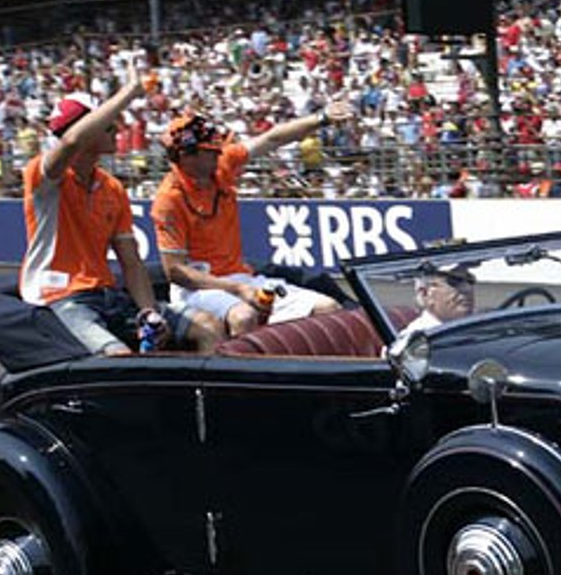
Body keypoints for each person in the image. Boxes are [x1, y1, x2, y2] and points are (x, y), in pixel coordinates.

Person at [20, 61, 197, 356]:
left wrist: (148, 312)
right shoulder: (44, 177)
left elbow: (131, 262)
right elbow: (71, 140)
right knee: (118, 356)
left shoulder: (112, 188)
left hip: (105, 294)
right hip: (60, 297)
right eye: (109, 125)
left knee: (205, 326)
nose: (118, 129)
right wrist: (130, 91)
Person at [151, 105, 343, 340]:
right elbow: (177, 272)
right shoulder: (168, 200)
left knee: (327, 308)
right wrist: (239, 290)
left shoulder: (222, 164)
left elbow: (273, 138)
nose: (218, 154)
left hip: (242, 278)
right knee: (244, 317)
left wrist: (321, 118)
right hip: (198, 289)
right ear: (186, 155)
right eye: (210, 151)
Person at [388, 262, 477, 355]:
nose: (467, 288)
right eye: (454, 281)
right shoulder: (412, 344)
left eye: (470, 280)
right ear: (425, 294)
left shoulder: (483, 331)